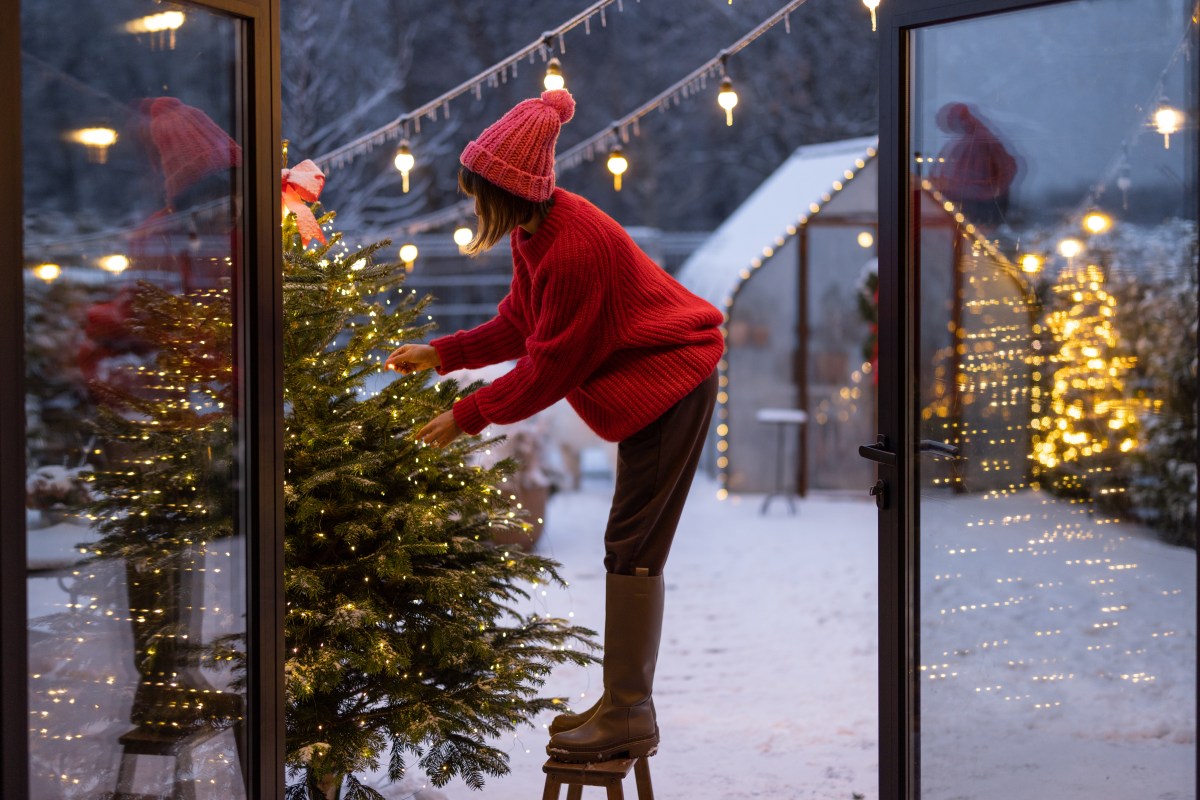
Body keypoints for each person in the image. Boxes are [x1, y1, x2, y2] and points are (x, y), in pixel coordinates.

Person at [385, 88, 724, 764]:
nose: (473, 205)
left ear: (508, 191)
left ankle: (630, 709)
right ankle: (622, 699)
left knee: (634, 543)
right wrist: (444, 355)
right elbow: (520, 322)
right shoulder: (536, 233)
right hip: (645, 387)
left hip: (671, 382)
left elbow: (550, 370)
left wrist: (466, 415)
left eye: (478, 192)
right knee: (627, 540)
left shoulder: (574, 247)